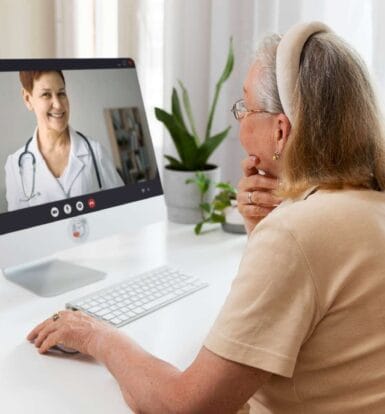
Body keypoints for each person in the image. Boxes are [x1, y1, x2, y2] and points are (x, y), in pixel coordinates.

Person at [27, 21, 385, 413]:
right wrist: (263, 233)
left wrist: (98, 336)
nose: (240, 122)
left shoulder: (297, 234)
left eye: (245, 108)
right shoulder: (365, 203)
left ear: (281, 132)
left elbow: (185, 407)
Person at [5, 70, 123, 211]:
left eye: (61, 93)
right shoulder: (15, 166)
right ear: (27, 99)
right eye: (46, 94)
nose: (58, 105)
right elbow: (20, 228)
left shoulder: (96, 152)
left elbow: (123, 209)